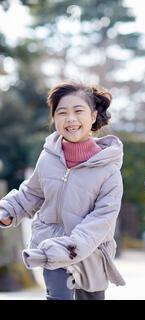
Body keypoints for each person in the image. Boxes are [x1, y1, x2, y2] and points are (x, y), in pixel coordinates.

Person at [0, 80, 125, 300]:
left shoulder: (109, 170)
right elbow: (32, 193)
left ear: (93, 116)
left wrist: (69, 246)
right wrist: (8, 211)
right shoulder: (48, 157)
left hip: (91, 256)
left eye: (78, 111)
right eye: (62, 112)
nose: (70, 119)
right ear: (54, 118)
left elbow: (101, 220)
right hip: (52, 252)